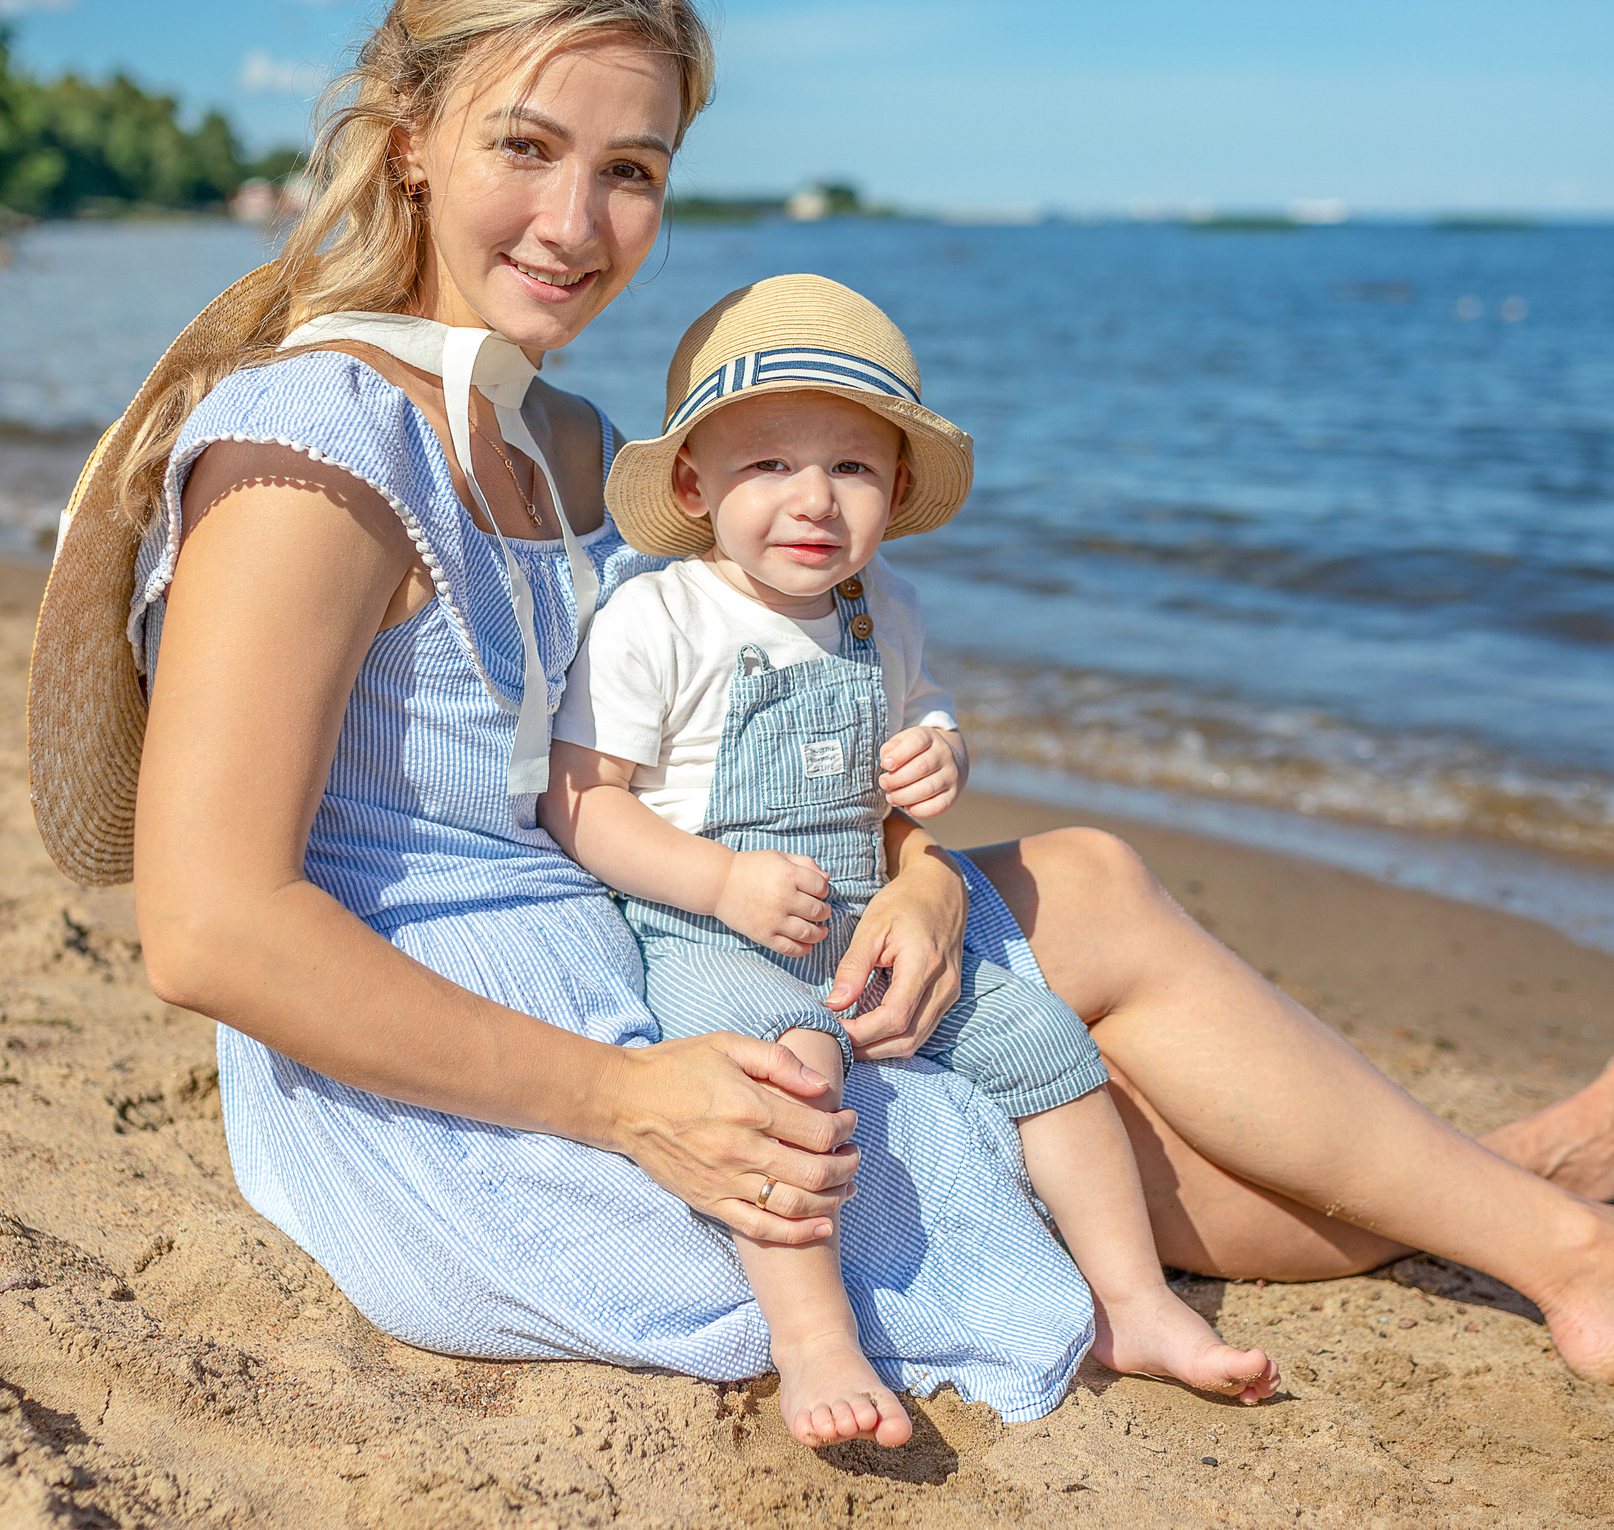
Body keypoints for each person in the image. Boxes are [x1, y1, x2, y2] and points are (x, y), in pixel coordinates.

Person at [23, 0, 1614, 1436]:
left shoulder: (568, 438)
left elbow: (678, 735)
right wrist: (625, 1099)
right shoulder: (311, 450)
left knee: (1076, 895)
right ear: (407, 130)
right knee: (1025, 1114)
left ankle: (1516, 1205)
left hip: (642, 921)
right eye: (527, 144)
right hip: (467, 1066)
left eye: (631, 167)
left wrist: (908, 879)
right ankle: (1539, 1212)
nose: (577, 219)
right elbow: (211, 931)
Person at [541, 275, 1275, 1448]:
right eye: (767, 464)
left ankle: (1132, 1306)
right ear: (692, 484)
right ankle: (813, 1338)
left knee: (1045, 1039)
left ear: (894, 488)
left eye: (852, 467)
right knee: (779, 1084)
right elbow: (584, 804)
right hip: (706, 929)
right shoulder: (659, 619)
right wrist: (719, 881)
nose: (813, 500)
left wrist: (940, 755)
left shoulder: (883, 606)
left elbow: (916, 721)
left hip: (863, 920)